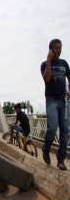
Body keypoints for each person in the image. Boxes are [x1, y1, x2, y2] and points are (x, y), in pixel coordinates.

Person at [40, 39, 70, 171]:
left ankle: (61, 160)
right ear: (51, 49)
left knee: (65, 131)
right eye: (56, 48)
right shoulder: (44, 64)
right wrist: (48, 61)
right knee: (52, 128)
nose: (59, 50)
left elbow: (69, 78)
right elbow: (47, 79)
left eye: (60, 48)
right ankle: (46, 149)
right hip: (51, 99)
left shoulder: (64, 63)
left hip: (64, 100)